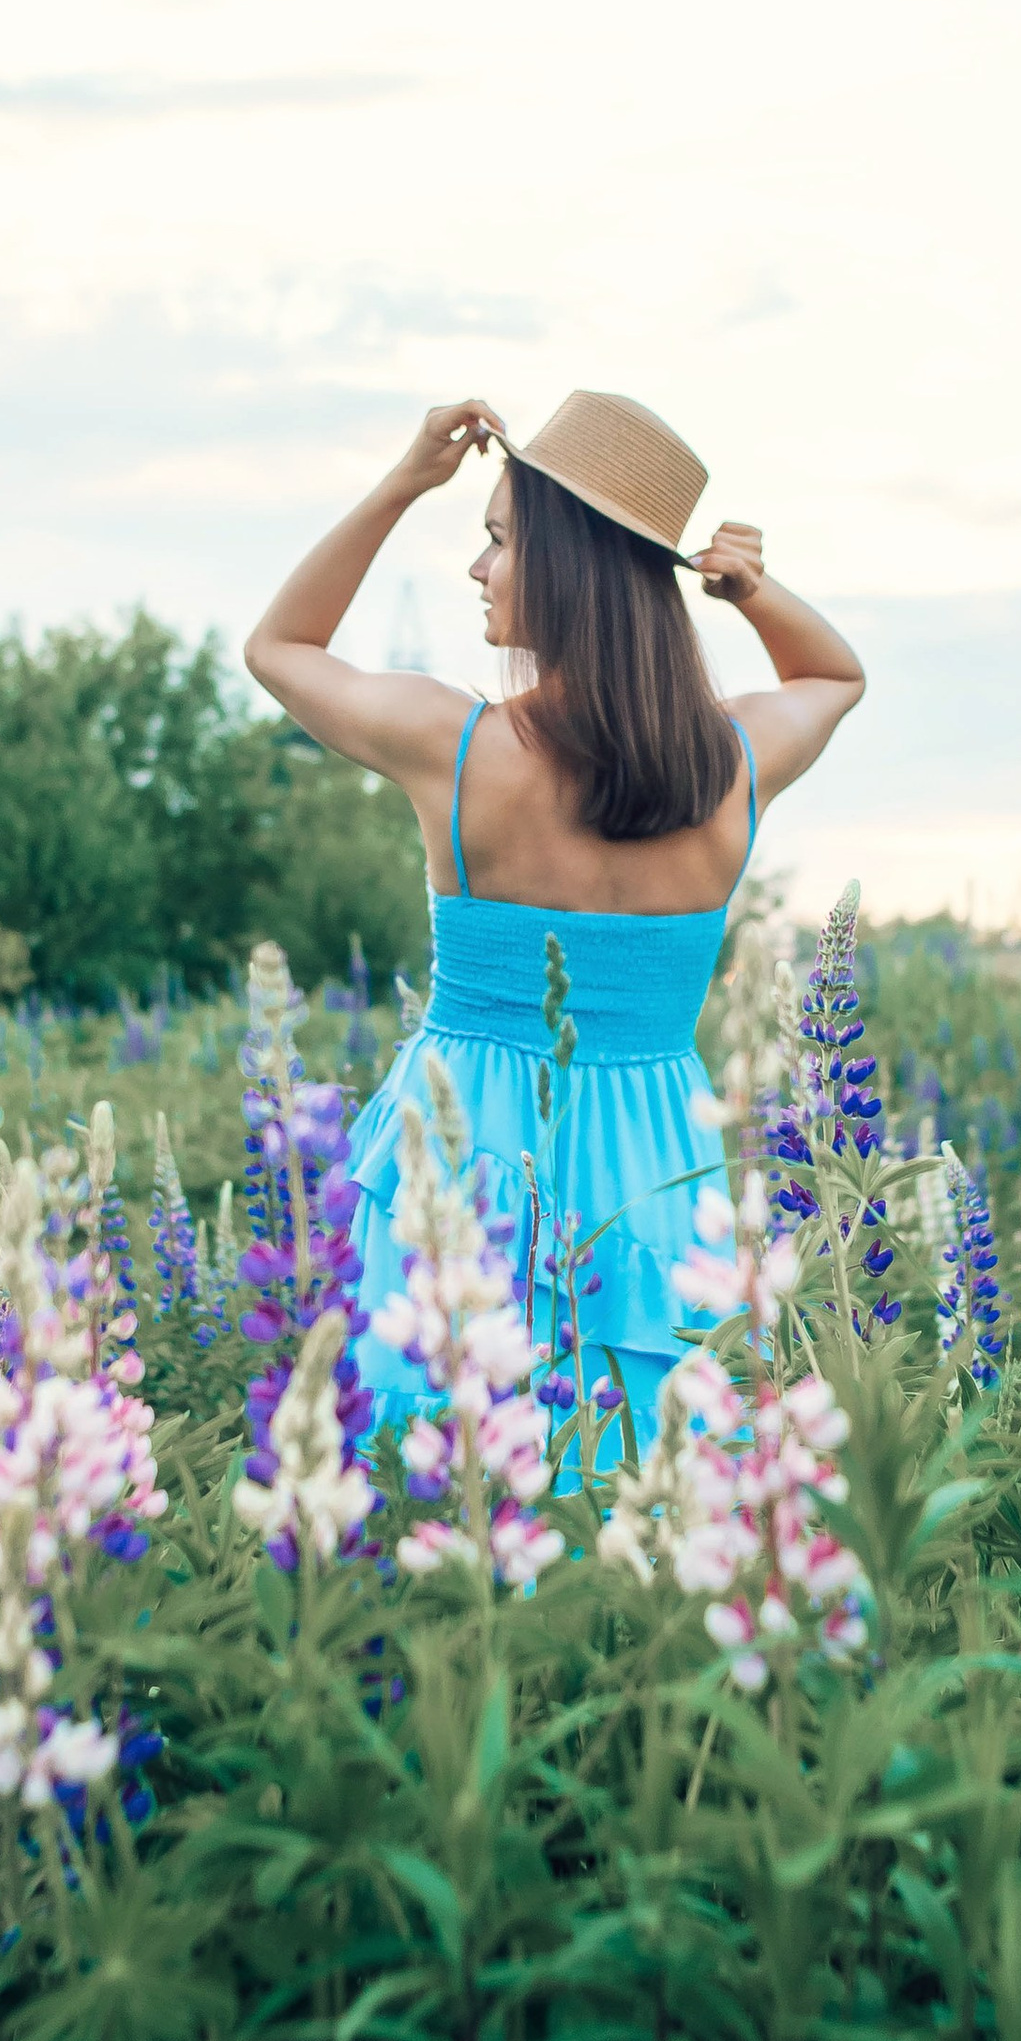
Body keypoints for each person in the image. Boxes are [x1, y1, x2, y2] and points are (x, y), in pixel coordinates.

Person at [244, 387, 866, 1455]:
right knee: (642, 1480)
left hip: (461, 1148)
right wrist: (750, 590)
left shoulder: (458, 746)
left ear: (569, 568)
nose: (477, 568)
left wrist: (403, 479)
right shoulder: (737, 763)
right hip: (657, 1159)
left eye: (495, 540)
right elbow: (834, 674)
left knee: (438, 1472)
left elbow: (280, 648)